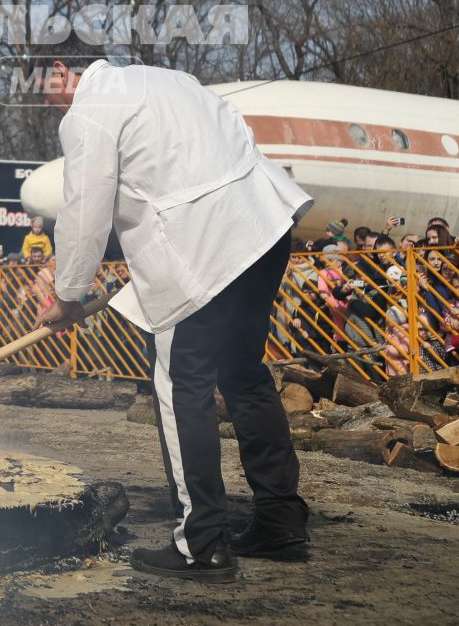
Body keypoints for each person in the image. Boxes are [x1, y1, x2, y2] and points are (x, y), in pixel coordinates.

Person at [41, 54, 314, 583]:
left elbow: (84, 205)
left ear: (58, 69)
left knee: (181, 382)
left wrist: (69, 294)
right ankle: (280, 518)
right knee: (243, 372)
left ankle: (204, 541)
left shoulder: (90, 108)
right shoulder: (171, 80)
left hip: (204, 244)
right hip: (263, 222)